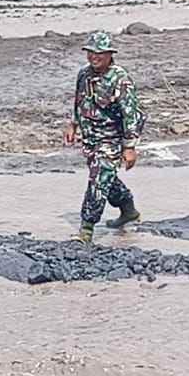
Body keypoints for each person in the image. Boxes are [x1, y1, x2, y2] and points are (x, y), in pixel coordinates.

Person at [65, 31, 144, 242]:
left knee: (98, 180)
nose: (94, 57)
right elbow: (78, 101)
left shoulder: (120, 79)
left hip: (112, 138)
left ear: (110, 54)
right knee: (105, 177)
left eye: (99, 53)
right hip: (90, 137)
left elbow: (131, 114)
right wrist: (73, 125)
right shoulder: (84, 74)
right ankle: (128, 210)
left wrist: (129, 147)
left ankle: (86, 228)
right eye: (90, 52)